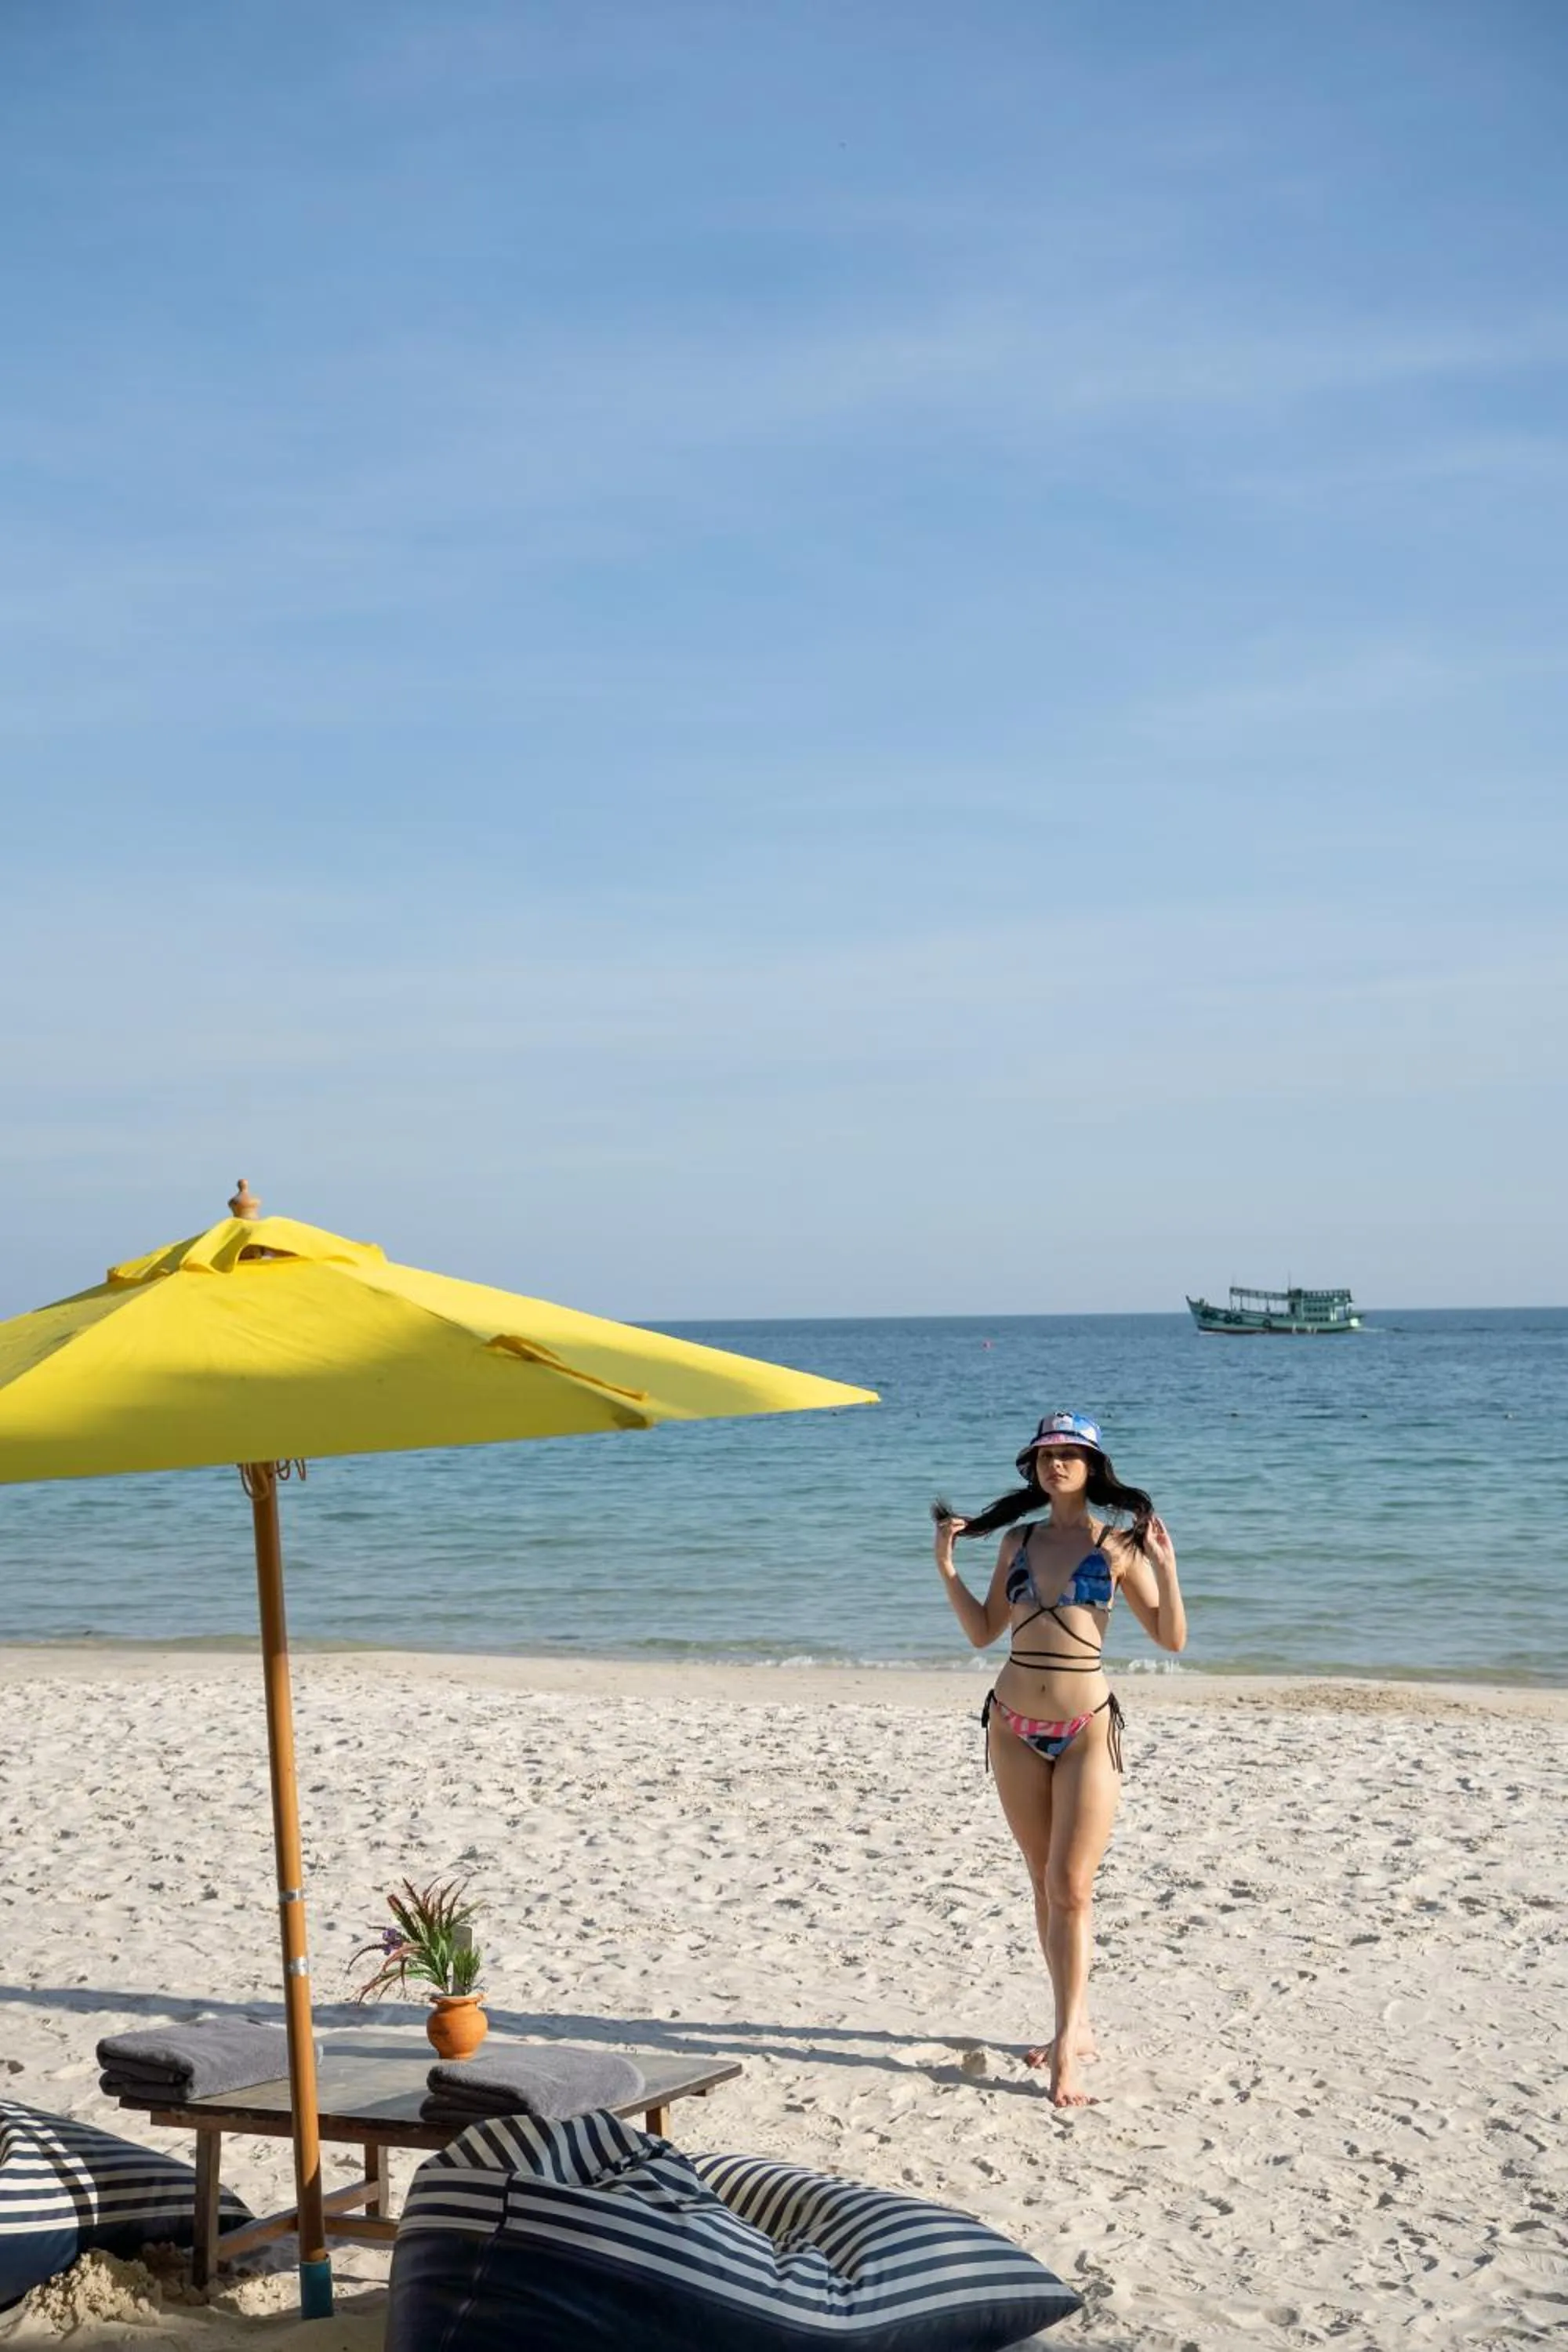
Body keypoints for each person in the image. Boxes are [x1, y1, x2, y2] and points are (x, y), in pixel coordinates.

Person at [932, 1410, 1186, 2108]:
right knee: (1045, 1887)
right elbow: (985, 1632)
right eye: (1046, 1455)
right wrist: (946, 1569)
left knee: (1072, 1886)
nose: (1057, 1465)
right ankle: (1071, 2024)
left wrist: (1168, 1566)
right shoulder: (1016, 1541)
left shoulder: (1118, 1546)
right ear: (1034, 1467)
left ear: (1092, 1466)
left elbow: (1171, 1638)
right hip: (1011, 1726)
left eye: (1070, 1454)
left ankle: (1067, 2050)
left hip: (1085, 1729)